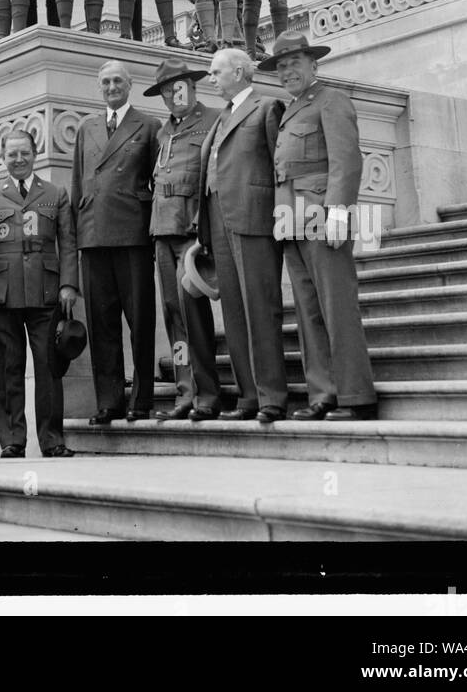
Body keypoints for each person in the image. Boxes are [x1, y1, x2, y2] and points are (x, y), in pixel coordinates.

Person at [259, 32, 378, 422]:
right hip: (292, 221)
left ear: (314, 65)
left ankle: (355, 395)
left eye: (295, 62)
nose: (287, 70)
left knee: (336, 306)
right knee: (308, 311)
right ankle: (323, 393)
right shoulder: (291, 108)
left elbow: (347, 161)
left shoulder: (331, 100)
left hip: (322, 217)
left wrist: (338, 215)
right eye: (281, 65)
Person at [0, 129, 79, 457]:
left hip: (46, 292)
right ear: (4, 158)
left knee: (48, 367)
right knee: (7, 367)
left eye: (24, 154)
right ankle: (12, 440)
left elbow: (68, 241)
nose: (18, 160)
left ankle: (52, 439)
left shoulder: (55, 193)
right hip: (1, 294)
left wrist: (68, 284)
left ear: (35, 154)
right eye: (12, 154)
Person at [198, 48, 288, 423]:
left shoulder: (267, 107)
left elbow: (279, 166)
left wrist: (281, 215)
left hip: (254, 218)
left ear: (238, 71)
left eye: (216, 72)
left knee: (260, 307)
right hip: (218, 219)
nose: (211, 78)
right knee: (233, 311)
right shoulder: (220, 117)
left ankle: (272, 396)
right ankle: (248, 395)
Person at [70, 59, 160, 422]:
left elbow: (158, 181)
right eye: (105, 81)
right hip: (94, 235)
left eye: (118, 81)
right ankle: (108, 400)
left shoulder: (149, 125)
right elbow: (79, 185)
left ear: (130, 84)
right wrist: (79, 235)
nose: (111, 87)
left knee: (139, 319)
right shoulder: (86, 127)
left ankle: (141, 399)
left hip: (132, 232)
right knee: (102, 323)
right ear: (99, 86)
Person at [144, 58, 222, 420]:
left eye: (179, 87)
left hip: (192, 232)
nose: (174, 94)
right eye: (166, 90)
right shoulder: (162, 133)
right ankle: (185, 392)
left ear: (193, 87)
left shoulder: (213, 120)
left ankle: (208, 393)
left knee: (193, 313)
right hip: (162, 231)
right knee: (174, 316)